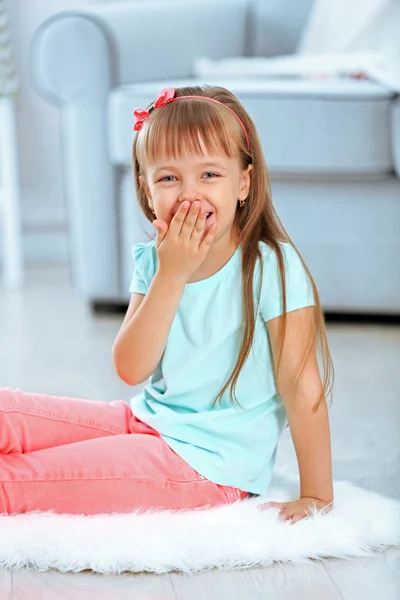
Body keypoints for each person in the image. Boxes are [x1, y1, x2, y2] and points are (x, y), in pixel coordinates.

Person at [0, 86, 334, 523]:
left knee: (16, 482)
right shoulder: (155, 261)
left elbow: (301, 385)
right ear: (147, 188)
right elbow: (131, 368)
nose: (189, 193)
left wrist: (317, 496)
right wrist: (170, 274)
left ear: (244, 182)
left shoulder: (271, 266)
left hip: (207, 466)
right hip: (148, 422)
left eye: (210, 175)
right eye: (169, 178)